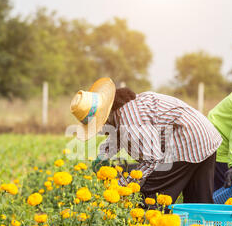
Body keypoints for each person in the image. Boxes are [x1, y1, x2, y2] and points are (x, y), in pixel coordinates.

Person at [70, 77, 223, 207]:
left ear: (103, 117)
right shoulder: (122, 111)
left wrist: (125, 186)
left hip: (187, 140)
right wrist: (102, 156)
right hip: (205, 137)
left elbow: (152, 159)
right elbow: (117, 135)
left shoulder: (130, 122)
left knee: (151, 197)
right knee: (198, 202)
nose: (100, 130)